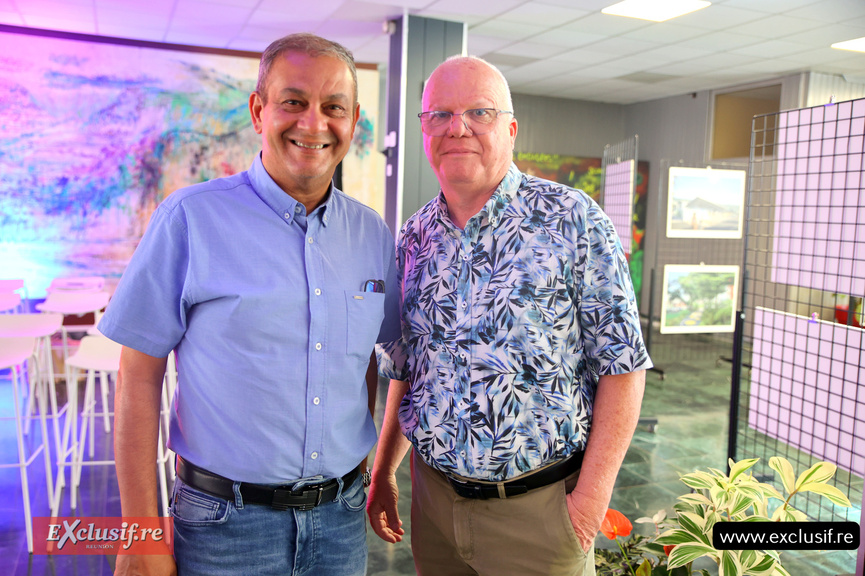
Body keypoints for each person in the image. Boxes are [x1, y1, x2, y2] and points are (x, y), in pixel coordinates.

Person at [99, 33, 400, 576]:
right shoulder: (190, 219)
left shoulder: (372, 235)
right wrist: (139, 534)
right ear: (259, 110)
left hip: (340, 521)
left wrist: (365, 470)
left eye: (334, 107)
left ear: (353, 122)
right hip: (224, 527)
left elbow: (363, 364)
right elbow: (138, 377)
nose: (313, 123)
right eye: (293, 101)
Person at [366, 55, 652, 576]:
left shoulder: (573, 220)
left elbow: (624, 366)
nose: (458, 128)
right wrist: (384, 469)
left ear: (511, 129)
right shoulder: (413, 238)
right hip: (434, 509)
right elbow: (406, 368)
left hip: (540, 517)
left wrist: (588, 507)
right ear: (424, 129)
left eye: (480, 112)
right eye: (440, 114)